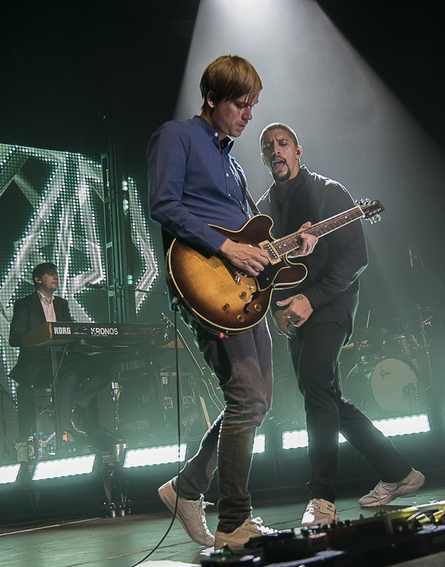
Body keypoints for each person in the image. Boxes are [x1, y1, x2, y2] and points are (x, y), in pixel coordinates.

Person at [147, 55, 314, 550]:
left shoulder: (234, 163)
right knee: (246, 399)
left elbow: (249, 236)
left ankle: (186, 489)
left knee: (256, 402)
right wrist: (224, 248)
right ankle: (233, 522)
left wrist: (289, 245)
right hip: (209, 289)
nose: (247, 115)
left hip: (245, 294)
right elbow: (163, 203)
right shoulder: (177, 136)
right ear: (213, 98)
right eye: (240, 104)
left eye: (252, 106)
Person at [257, 123, 425, 527]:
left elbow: (356, 256)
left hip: (332, 304)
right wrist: (278, 309)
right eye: (267, 147)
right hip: (293, 313)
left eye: (282, 144)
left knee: (316, 384)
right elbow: (265, 271)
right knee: (325, 394)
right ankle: (400, 473)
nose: (275, 150)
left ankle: (322, 498)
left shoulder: (331, 193)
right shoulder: (263, 210)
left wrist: (311, 299)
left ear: (299, 151)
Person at [8, 262, 107, 445]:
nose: (55, 277)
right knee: (68, 376)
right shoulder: (24, 304)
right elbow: (15, 338)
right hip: (37, 364)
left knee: (105, 369)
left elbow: (70, 332)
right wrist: (40, 336)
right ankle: (64, 431)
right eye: (50, 274)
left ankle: (73, 407)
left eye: (56, 274)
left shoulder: (61, 304)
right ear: (38, 279)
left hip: (63, 358)